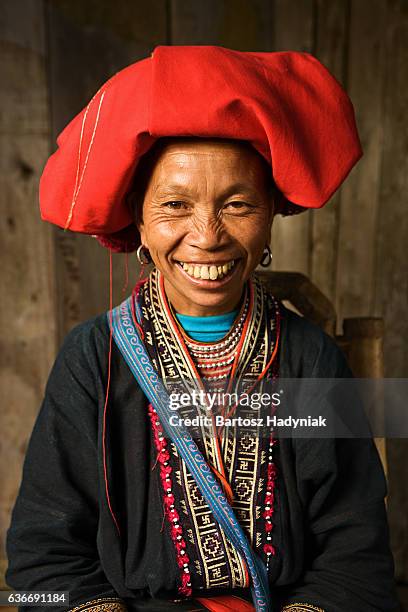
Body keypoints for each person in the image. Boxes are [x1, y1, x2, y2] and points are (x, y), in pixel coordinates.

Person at [6, 46, 398, 612]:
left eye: (237, 204)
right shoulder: (91, 360)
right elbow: (41, 564)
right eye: (174, 205)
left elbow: (357, 558)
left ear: (270, 217)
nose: (207, 235)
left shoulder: (311, 359)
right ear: (138, 219)